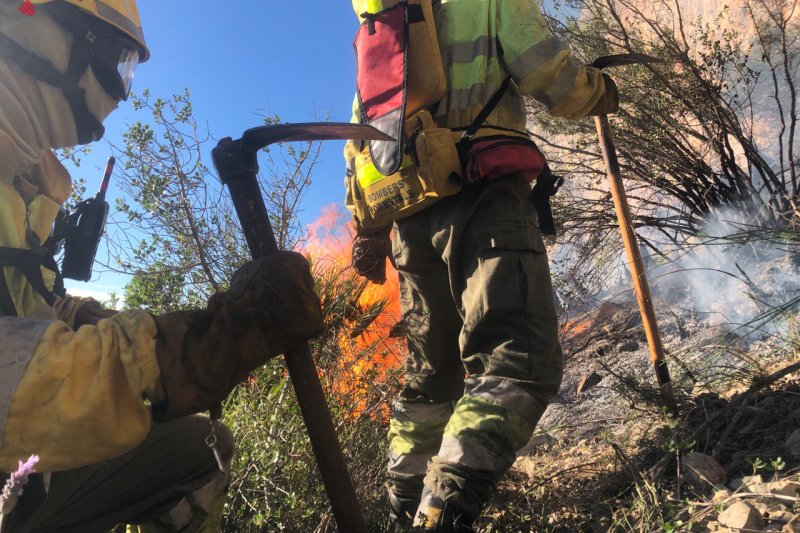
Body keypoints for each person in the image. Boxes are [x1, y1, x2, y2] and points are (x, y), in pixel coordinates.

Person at [0, 1, 323, 531]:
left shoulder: (17, 185)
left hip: (30, 475)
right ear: (39, 26)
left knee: (202, 449)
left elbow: (27, 306)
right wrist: (176, 356)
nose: (119, 92)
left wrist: (103, 321)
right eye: (119, 59)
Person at [346, 0, 619, 530]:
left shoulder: (382, 23)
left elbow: (359, 143)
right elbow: (548, 74)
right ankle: (443, 511)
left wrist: (370, 231)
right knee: (518, 357)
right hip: (481, 196)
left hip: (408, 223)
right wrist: (601, 90)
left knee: (432, 379)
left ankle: (404, 510)